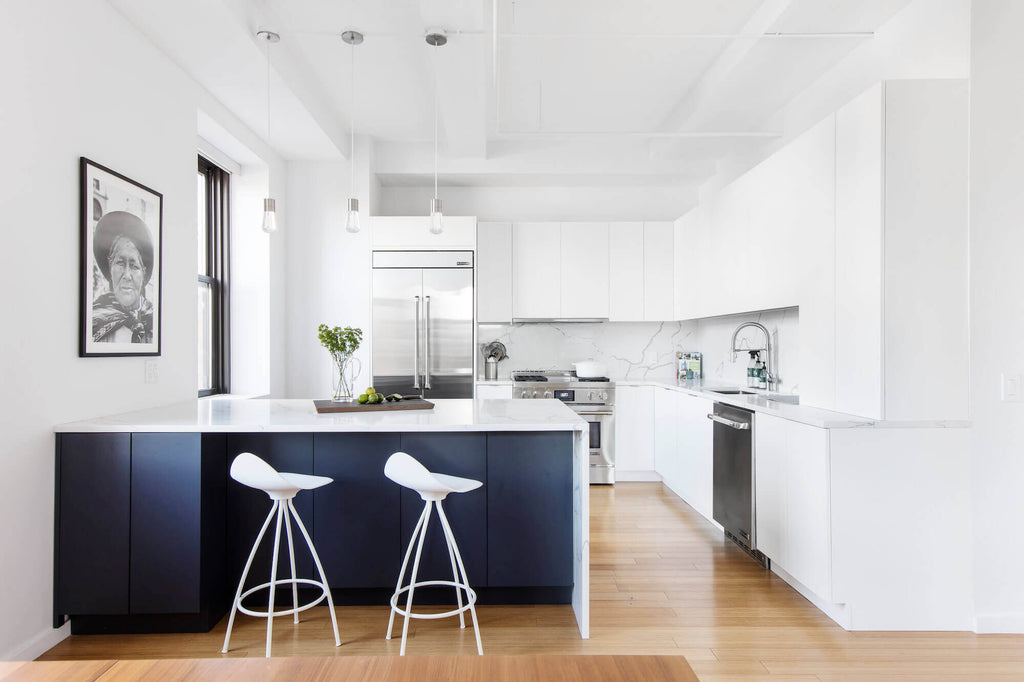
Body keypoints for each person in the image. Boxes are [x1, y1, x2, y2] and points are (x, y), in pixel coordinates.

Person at [91, 211, 154, 343]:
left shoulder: (153, 320)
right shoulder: (94, 322)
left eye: (134, 266)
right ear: (110, 269)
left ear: (143, 273)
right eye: (120, 263)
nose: (127, 276)